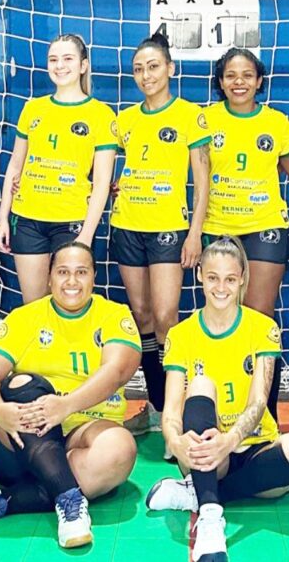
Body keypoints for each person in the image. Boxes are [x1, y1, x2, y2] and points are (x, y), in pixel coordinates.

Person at [0, 241, 140, 549]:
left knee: (120, 448)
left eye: (81, 272)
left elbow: (117, 370)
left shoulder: (114, 315)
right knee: (23, 384)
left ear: (94, 277)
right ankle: (70, 501)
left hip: (84, 428)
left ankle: (9, 501)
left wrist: (66, 406)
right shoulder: (25, 317)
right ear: (49, 277)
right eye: (63, 272)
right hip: (18, 441)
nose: (71, 281)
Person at [145, 237, 289, 561]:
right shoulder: (180, 335)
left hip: (253, 445)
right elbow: (170, 411)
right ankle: (210, 516)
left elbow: (258, 402)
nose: (221, 287)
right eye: (212, 277)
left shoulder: (264, 328)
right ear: (199, 275)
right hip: (203, 448)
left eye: (229, 279)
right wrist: (174, 440)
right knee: (200, 384)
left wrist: (231, 439)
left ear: (242, 279)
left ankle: (196, 492)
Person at [112, 33, 211, 438]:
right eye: (138, 69)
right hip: (126, 225)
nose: (145, 75)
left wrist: (195, 233)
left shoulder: (190, 115)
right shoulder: (125, 120)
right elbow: (99, 163)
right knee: (142, 317)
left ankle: (177, 409)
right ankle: (155, 407)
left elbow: (203, 180)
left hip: (169, 228)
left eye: (153, 67)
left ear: (170, 69)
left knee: (168, 318)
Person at [201, 47, 289, 420]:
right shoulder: (204, 120)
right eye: (230, 76)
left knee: (259, 317)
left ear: (259, 82)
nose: (238, 82)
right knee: (221, 316)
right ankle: (222, 407)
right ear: (220, 83)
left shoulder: (277, 121)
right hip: (218, 227)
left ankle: (264, 412)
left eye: (246, 76)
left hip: (265, 226)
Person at [0, 34, 118, 303]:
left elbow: (102, 184)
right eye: (53, 59)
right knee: (35, 305)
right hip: (26, 221)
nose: (59, 65)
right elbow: (15, 165)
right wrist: (3, 217)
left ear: (83, 65)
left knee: (70, 303)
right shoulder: (32, 109)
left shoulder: (101, 114)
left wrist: (86, 235)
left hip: (72, 222)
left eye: (67, 59)